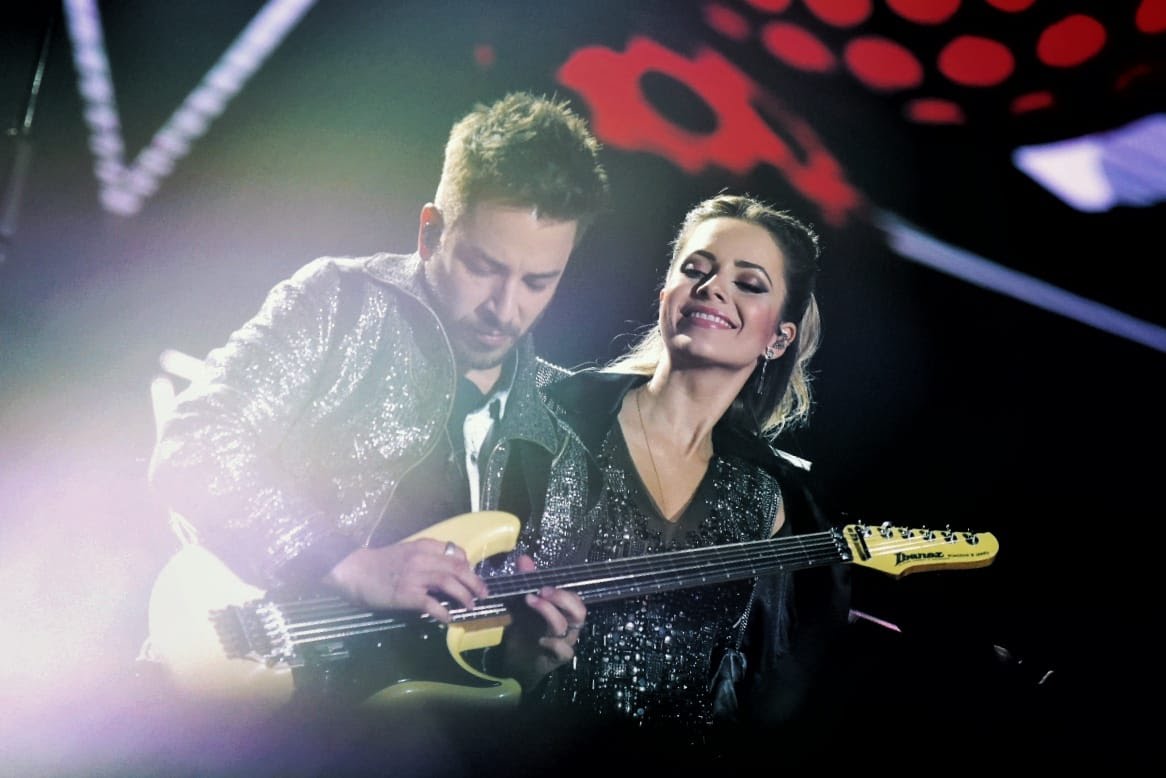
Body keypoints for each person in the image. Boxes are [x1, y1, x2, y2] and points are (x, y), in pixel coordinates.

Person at [146, 91, 608, 726]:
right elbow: (193, 443)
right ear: (430, 232)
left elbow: (504, 667)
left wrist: (526, 661)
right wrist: (346, 562)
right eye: (483, 267)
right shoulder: (338, 302)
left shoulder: (558, 431)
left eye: (538, 282)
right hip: (243, 706)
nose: (507, 308)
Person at [512, 192, 852, 762]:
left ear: (779, 338)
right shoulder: (549, 412)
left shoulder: (768, 500)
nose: (713, 287)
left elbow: (768, 691)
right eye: (695, 269)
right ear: (667, 292)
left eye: (749, 283)